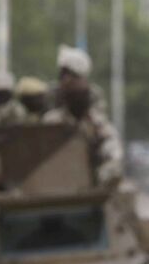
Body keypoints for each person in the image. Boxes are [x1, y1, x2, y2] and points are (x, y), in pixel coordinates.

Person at [43, 45, 123, 187]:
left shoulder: (97, 123)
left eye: (72, 76)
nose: (66, 81)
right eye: (63, 76)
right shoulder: (52, 120)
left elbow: (113, 152)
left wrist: (105, 175)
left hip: (87, 186)